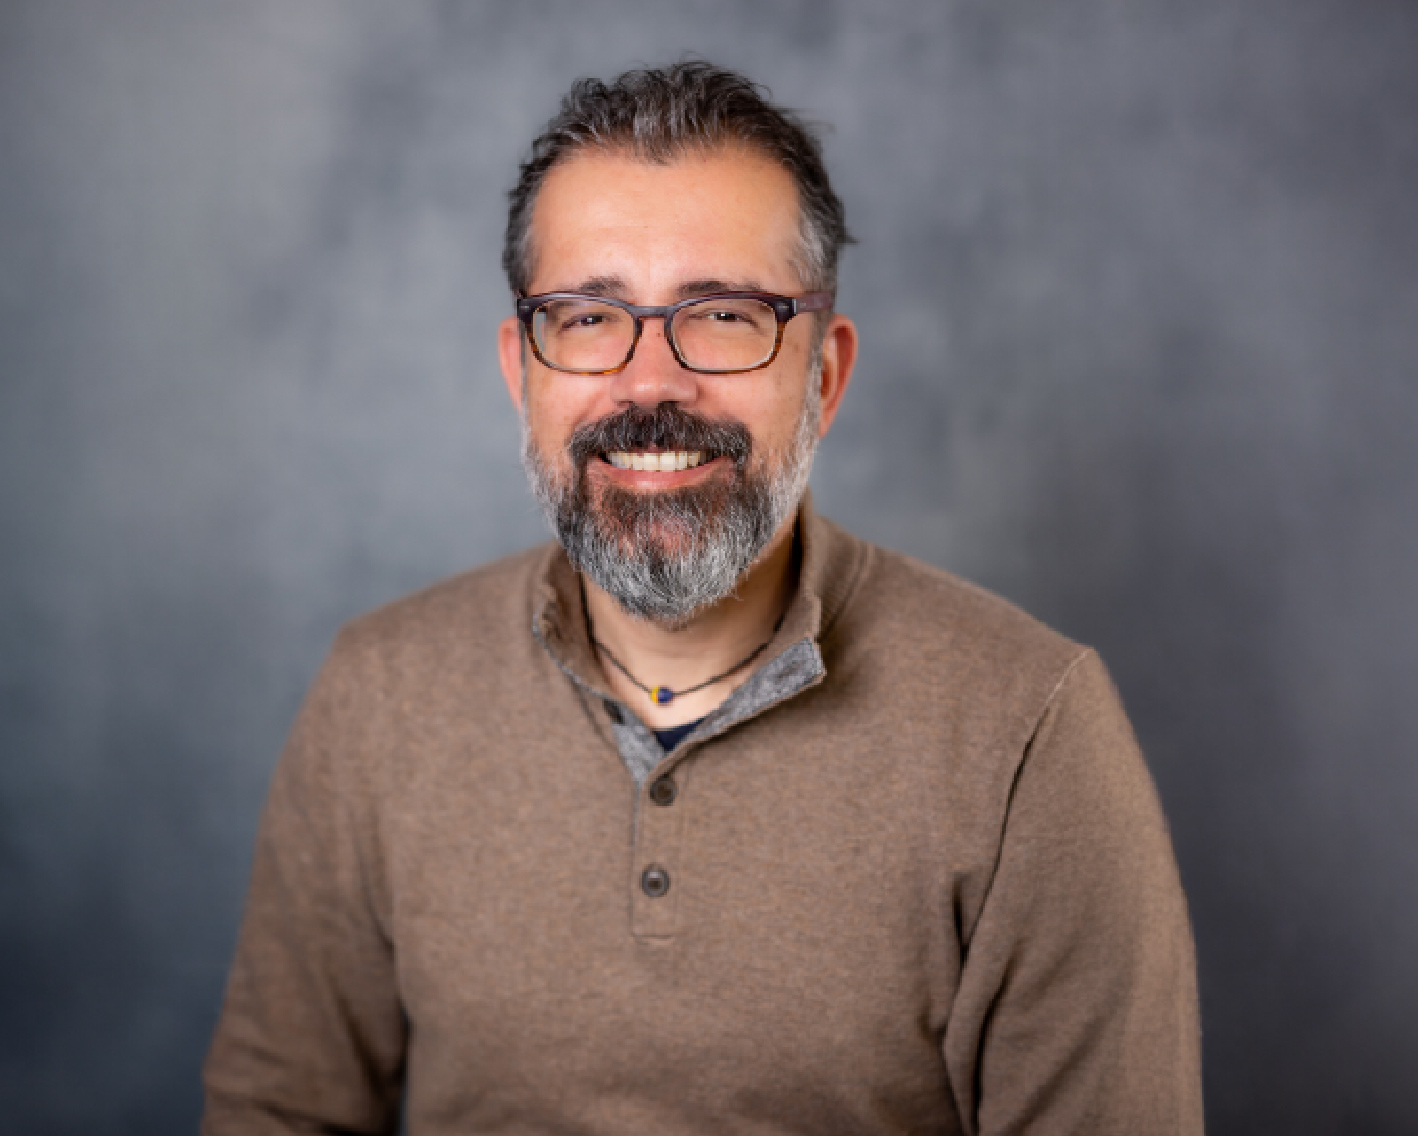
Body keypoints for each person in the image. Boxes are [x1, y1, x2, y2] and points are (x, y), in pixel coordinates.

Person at [203, 62, 1203, 1135]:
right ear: (521, 371)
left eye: (723, 314)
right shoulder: (381, 692)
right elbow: (276, 1112)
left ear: (823, 375)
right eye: (589, 317)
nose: (649, 383)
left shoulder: (1030, 728)